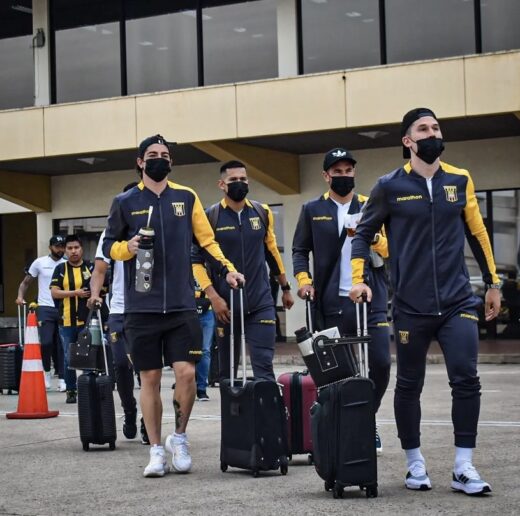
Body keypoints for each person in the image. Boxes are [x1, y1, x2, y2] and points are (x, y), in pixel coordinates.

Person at [350, 108, 501, 495]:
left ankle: (463, 466)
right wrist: (358, 281)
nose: (432, 133)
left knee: (466, 378)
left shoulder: (459, 179)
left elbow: (478, 234)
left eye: (436, 127)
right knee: (409, 384)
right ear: (408, 141)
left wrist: (493, 283)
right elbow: (362, 235)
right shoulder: (389, 186)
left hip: (457, 302)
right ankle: (414, 463)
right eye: (424, 128)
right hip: (410, 307)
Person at [102, 135, 244, 478]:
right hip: (141, 308)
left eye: (165, 155)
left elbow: (206, 239)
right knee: (149, 378)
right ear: (140, 162)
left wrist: (227, 269)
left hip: (182, 305)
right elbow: (109, 247)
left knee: (187, 374)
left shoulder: (186, 196)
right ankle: (155, 451)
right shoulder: (125, 201)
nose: (159, 159)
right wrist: (129, 247)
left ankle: (178, 438)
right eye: (152, 155)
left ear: (172, 162)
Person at [292, 148, 391, 455]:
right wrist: (304, 282)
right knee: (340, 371)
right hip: (333, 300)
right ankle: (345, 427)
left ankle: (366, 418)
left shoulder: (370, 205)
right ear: (326, 176)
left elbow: (389, 249)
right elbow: (299, 250)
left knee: (381, 363)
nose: (344, 176)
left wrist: (371, 237)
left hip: (370, 296)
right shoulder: (312, 209)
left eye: (348, 171)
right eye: (338, 172)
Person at [192, 160, 294, 383]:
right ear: (222, 184)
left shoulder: (262, 212)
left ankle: (266, 417)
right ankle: (234, 417)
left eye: (243, 179)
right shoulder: (211, 216)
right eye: (233, 180)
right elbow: (196, 262)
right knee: (226, 374)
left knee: (264, 370)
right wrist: (213, 297)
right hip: (225, 306)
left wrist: (286, 287)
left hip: (260, 302)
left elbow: (272, 253)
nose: (239, 183)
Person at [88, 183, 140, 441]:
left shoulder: (156, 230)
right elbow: (99, 270)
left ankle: (147, 421)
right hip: (119, 309)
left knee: (147, 368)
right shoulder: (111, 234)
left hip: (150, 310)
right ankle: (129, 410)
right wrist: (96, 294)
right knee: (120, 364)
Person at [16, 235, 67, 391]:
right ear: (50, 247)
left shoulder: (67, 263)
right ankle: (46, 372)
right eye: (58, 246)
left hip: (63, 307)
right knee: (46, 343)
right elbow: (26, 282)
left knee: (62, 345)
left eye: (62, 246)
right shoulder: (39, 263)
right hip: (45, 307)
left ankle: (63, 378)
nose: (61, 249)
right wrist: (20, 296)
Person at [50, 235, 93, 404]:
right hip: (66, 321)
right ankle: (71, 390)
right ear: (65, 251)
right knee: (69, 358)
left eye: (76, 247)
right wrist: (76, 293)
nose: (73, 251)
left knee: (87, 356)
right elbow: (54, 292)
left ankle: (88, 388)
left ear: (81, 249)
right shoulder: (60, 269)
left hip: (87, 321)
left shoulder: (91, 266)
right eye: (70, 248)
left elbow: (101, 288)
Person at [194, 280, 215, 401]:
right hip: (187, 308)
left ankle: (202, 388)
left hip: (208, 310)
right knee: (186, 350)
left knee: (205, 350)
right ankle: (186, 384)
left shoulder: (209, 264)